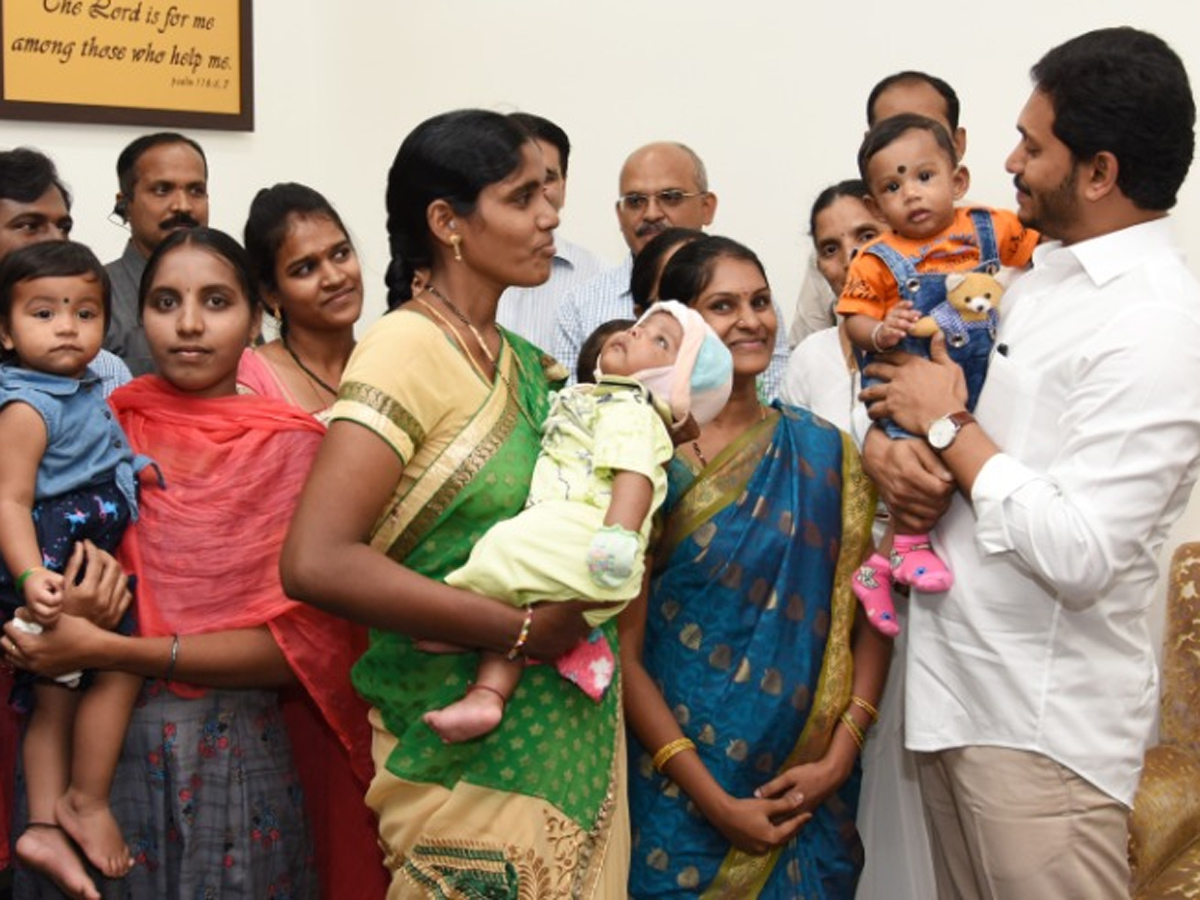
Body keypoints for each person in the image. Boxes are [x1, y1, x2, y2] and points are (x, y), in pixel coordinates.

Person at [859, 27, 1200, 898]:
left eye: (1033, 144)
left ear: (1100, 172)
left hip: (1042, 731)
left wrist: (950, 432)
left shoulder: (1158, 321)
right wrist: (898, 453)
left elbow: (1082, 552)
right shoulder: (1039, 279)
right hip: (957, 694)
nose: (1007, 160)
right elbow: (959, 432)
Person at [279, 109, 629, 897]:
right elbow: (315, 560)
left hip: (565, 735)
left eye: (549, 194)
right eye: (521, 198)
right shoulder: (407, 347)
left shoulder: (522, 362)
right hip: (462, 750)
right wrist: (524, 630)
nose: (551, 217)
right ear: (447, 222)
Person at [5, 227, 375, 899]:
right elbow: (28, 557)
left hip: (229, 754)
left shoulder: (296, 452)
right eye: (166, 302)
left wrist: (114, 647)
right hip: (81, 759)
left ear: (256, 316)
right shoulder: (101, 421)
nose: (190, 325)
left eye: (215, 301)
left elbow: (301, 648)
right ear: (138, 318)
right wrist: (60, 619)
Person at [622, 234, 890, 897]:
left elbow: (874, 613)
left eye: (761, 301)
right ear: (683, 325)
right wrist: (713, 799)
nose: (751, 320)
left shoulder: (825, 452)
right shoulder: (643, 460)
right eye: (723, 305)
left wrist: (840, 754)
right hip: (678, 792)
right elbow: (619, 654)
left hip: (811, 792)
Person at [426, 301, 732, 742]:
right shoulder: (601, 400)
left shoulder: (632, 410)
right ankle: (488, 696)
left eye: (660, 341)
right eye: (644, 326)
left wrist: (618, 538)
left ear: (672, 385)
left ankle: (454, 623)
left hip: (592, 538)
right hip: (571, 536)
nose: (637, 334)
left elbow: (634, 477)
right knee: (521, 607)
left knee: (500, 553)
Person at [782, 183, 937, 900]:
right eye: (831, 248)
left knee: (928, 791)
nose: (851, 259)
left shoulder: (937, 330)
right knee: (855, 800)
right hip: (839, 606)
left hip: (932, 588)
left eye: (865, 235)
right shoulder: (810, 357)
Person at [837, 114, 1038, 634]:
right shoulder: (877, 258)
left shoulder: (990, 227)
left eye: (924, 177)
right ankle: (906, 547)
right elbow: (854, 316)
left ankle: (879, 568)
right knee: (924, 468)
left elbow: (1050, 252)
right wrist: (879, 331)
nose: (912, 194)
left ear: (959, 181)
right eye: (892, 186)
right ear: (877, 206)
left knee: (955, 456)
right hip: (913, 376)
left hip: (973, 380)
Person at [0, 242, 147, 899]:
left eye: (85, 312)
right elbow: (9, 500)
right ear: (5, 331)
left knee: (66, 693)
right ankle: (76, 804)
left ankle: (45, 822)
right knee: (97, 673)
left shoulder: (84, 386)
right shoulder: (27, 406)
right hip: (55, 564)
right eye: (44, 312)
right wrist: (33, 579)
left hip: (83, 558)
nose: (67, 325)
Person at [790, 72, 966, 349]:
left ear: (957, 144)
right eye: (891, 130)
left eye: (927, 129)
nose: (907, 143)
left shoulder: (986, 233)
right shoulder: (839, 247)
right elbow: (807, 351)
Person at [239, 182, 362, 420]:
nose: (335, 277)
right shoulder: (251, 380)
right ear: (270, 293)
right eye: (305, 269)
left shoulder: (384, 363)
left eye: (340, 254)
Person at [496, 113, 608, 351]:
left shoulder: (599, 278)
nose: (532, 189)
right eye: (516, 176)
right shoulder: (458, 271)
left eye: (547, 178)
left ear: (563, 188)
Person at [105, 132, 209, 376]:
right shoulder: (95, 295)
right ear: (125, 204)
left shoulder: (231, 291)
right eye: (162, 190)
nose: (183, 205)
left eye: (196, 190)